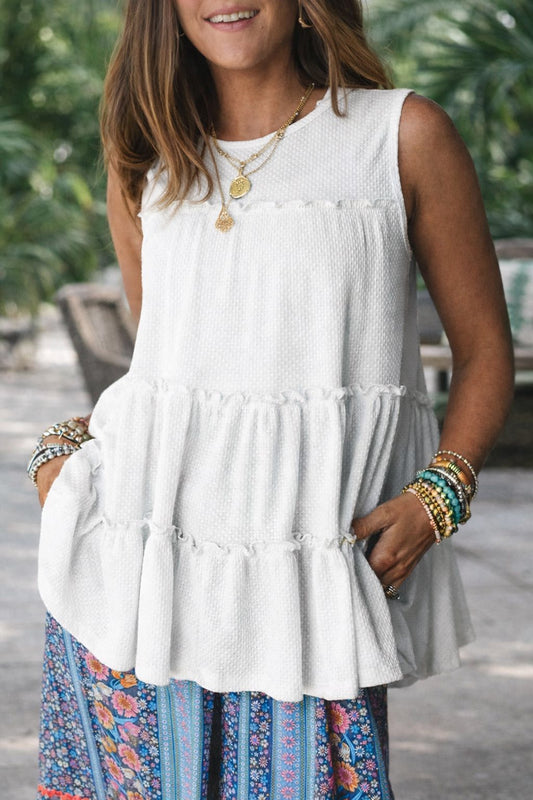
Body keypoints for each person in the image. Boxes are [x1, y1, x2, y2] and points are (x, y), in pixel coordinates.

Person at [31, 1, 514, 798]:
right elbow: (171, 377)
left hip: (306, 600)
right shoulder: (145, 159)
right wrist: (65, 453)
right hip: (135, 588)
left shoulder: (400, 136)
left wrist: (438, 496)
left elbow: (484, 352)